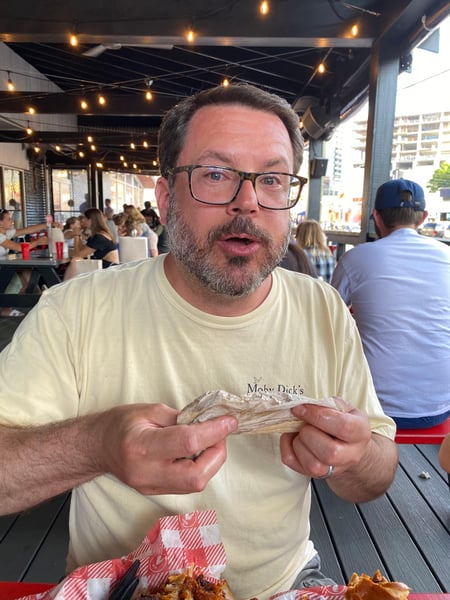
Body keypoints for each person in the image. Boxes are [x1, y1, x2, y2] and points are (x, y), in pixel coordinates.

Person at [0, 84, 397, 600]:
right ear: (166, 199)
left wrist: (353, 456)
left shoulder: (322, 309)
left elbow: (377, 473)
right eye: (215, 174)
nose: (247, 202)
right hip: (128, 588)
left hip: (284, 584)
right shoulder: (75, 311)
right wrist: (97, 445)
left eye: (272, 179)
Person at [331, 178, 450, 429]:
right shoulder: (447, 255)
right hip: (441, 404)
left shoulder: (356, 258)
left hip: (372, 406)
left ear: (376, 216)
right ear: (423, 217)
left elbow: (328, 317)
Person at [0, 208, 49, 316]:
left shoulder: (5, 233)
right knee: (20, 278)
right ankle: (5, 308)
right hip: (2, 268)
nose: (12, 221)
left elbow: (27, 230)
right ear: (0, 223)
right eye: (8, 219)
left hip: (4, 266)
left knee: (28, 273)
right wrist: (38, 242)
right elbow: (18, 247)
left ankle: (40, 300)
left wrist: (48, 224)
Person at [63, 208, 119, 279]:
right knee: (76, 260)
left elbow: (78, 255)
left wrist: (76, 236)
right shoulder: (99, 234)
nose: (83, 221)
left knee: (75, 260)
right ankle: (67, 284)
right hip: (104, 265)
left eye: (85, 219)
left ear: (91, 220)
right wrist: (78, 234)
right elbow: (82, 249)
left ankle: (67, 284)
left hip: (109, 268)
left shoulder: (99, 237)